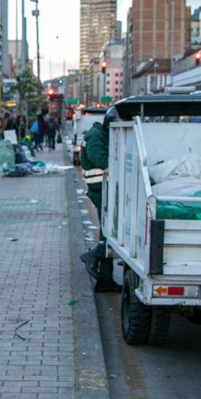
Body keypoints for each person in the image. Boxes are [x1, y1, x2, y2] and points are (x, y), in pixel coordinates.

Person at [80, 117, 117, 292]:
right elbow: (102, 160)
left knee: (107, 231)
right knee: (109, 232)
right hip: (99, 188)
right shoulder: (95, 137)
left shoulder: (101, 135)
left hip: (105, 188)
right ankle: (92, 255)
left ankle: (105, 281)